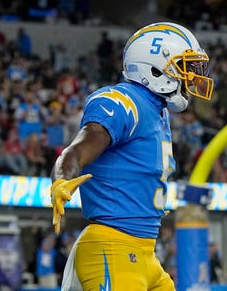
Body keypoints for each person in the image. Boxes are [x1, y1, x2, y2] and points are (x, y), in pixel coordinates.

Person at [49, 22, 215, 291]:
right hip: (113, 245)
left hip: (145, 253)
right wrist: (61, 179)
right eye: (184, 66)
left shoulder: (158, 112)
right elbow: (79, 147)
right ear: (154, 67)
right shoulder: (122, 101)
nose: (191, 76)